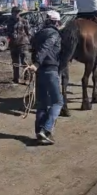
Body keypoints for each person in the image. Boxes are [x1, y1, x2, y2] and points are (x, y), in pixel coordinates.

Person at [28, 10, 64, 145]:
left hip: (39, 72)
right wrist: (36, 63)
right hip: (50, 70)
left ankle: (39, 132)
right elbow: (46, 48)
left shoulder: (38, 34)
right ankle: (46, 129)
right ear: (55, 22)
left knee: (42, 103)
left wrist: (34, 65)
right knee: (58, 102)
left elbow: (34, 49)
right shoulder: (54, 34)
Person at [6, 6, 31, 84]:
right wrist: (10, 35)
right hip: (13, 44)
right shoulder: (9, 22)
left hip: (23, 44)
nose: (17, 14)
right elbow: (7, 32)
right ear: (12, 13)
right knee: (15, 62)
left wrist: (28, 42)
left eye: (18, 12)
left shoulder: (24, 21)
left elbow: (29, 32)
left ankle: (27, 78)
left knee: (25, 61)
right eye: (15, 12)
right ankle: (16, 78)